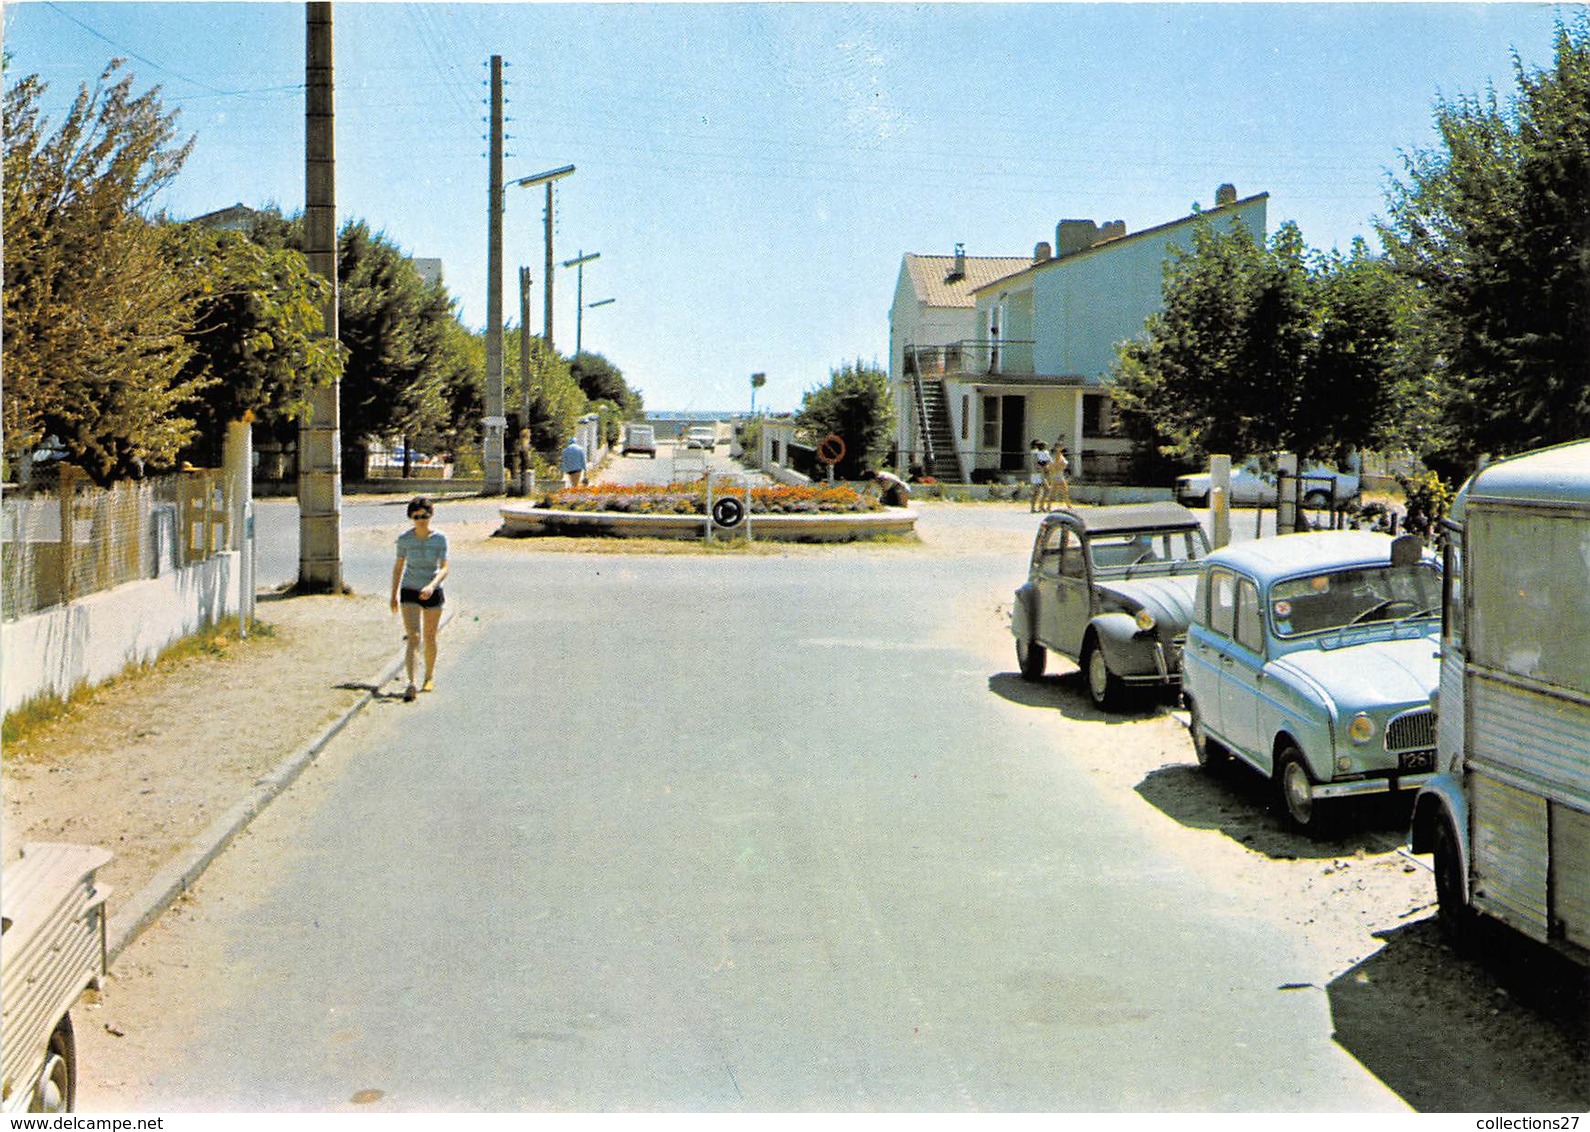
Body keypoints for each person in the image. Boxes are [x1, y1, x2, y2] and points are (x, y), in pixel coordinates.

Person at [390, 496, 449, 702]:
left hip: (432, 590)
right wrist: (393, 595)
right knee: (413, 637)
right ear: (411, 518)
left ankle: (429, 677)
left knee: (430, 636)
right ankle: (411, 682)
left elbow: (444, 568)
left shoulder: (439, 539)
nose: (421, 520)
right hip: (409, 590)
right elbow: (398, 568)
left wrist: (432, 586)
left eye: (424, 515)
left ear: (430, 515)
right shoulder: (405, 539)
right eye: (416, 516)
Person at [1029, 440, 1054, 513]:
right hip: (1039, 474)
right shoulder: (1039, 453)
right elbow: (1041, 464)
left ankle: (1036, 507)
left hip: (1037, 474)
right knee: (1044, 490)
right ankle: (1039, 506)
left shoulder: (1037, 453)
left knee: (1038, 491)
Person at [1051, 439, 1072, 506]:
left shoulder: (1059, 454)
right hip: (1058, 475)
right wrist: (1061, 467)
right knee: (1058, 491)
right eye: (1060, 446)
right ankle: (1068, 505)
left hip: (1060, 474)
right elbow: (1056, 465)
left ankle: (1068, 505)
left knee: (1063, 490)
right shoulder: (1057, 455)